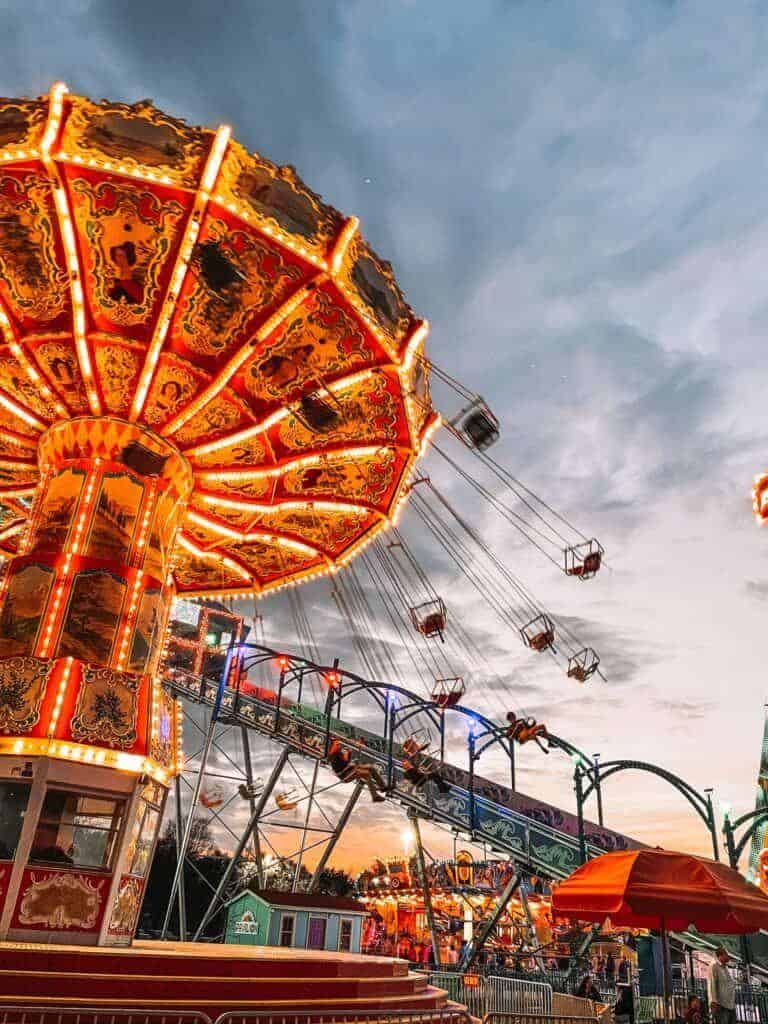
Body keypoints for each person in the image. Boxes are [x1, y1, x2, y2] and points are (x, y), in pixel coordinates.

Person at [708, 946, 737, 1024]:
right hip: (721, 1005)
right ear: (720, 955)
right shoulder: (714, 966)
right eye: (726, 954)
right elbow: (712, 983)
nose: (728, 956)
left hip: (730, 1004)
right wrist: (713, 1001)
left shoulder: (725, 967)